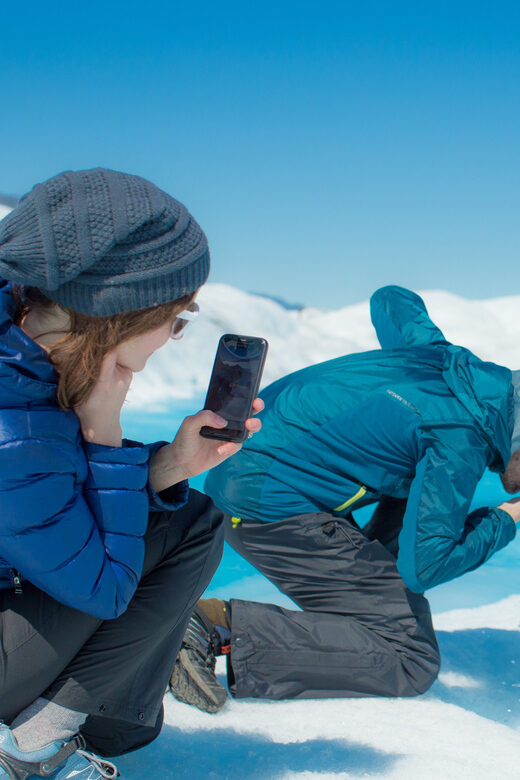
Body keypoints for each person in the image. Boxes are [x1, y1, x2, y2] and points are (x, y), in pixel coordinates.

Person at [0, 168, 263, 779]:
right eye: (178, 317)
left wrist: (169, 465)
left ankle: (64, 728)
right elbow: (108, 588)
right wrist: (105, 432)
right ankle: (29, 752)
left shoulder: (27, 359)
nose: (175, 336)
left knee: (192, 515)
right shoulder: (15, 427)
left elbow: (49, 503)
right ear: (120, 311)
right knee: (187, 529)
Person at [170, 284, 520, 713]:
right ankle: (210, 626)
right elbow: (426, 566)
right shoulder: (459, 439)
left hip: (251, 469)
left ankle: (343, 618)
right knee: (409, 655)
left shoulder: (447, 362)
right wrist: (508, 517)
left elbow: (391, 300)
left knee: (406, 518)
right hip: (265, 504)